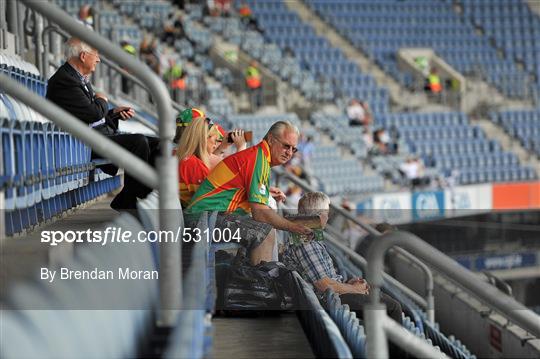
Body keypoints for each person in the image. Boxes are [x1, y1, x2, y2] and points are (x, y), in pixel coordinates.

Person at [46, 38, 159, 210]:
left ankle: (146, 194)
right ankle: (132, 197)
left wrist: (114, 114)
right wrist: (102, 99)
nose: (98, 60)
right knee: (138, 142)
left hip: (98, 135)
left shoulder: (77, 78)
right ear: (83, 56)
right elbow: (93, 113)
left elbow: (88, 115)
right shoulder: (64, 80)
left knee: (157, 143)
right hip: (82, 143)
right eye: (96, 55)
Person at [186, 121, 312, 265]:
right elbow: (261, 214)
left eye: (294, 149)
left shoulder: (260, 157)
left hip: (209, 217)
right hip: (201, 220)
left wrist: (267, 194)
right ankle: (261, 284)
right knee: (264, 233)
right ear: (271, 140)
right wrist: (294, 227)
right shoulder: (257, 159)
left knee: (263, 229)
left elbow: (239, 188)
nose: (289, 153)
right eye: (286, 146)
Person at [282, 192, 403, 323]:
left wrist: (346, 284)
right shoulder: (306, 241)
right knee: (393, 307)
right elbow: (324, 286)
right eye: (326, 213)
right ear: (319, 215)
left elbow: (324, 281)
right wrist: (354, 289)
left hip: (331, 297)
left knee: (383, 299)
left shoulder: (307, 237)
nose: (327, 217)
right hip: (330, 300)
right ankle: (391, 344)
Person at [177, 116, 246, 206]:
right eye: (215, 140)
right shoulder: (191, 164)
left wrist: (222, 149)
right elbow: (220, 198)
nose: (216, 144)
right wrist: (241, 149)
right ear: (204, 139)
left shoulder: (186, 159)